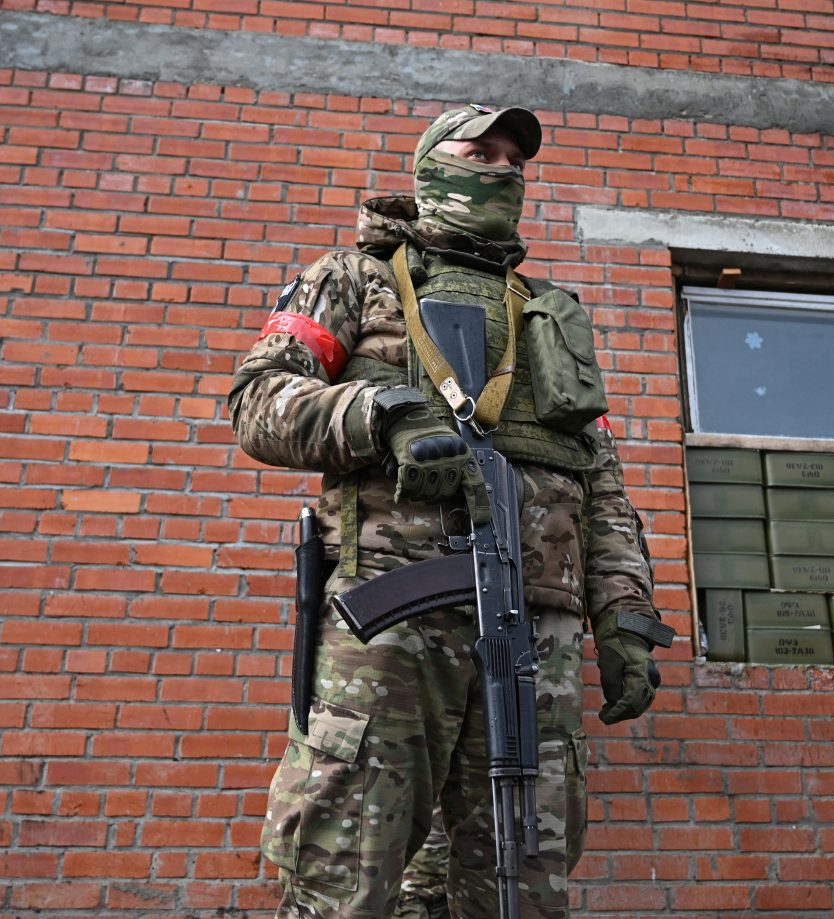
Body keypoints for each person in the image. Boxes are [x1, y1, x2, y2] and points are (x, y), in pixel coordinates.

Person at [228, 104, 671, 919]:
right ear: (433, 165)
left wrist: (624, 616)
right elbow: (257, 401)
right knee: (346, 860)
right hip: (395, 622)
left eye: (514, 158)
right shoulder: (351, 278)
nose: (502, 167)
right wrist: (378, 416)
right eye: (481, 150)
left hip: (539, 633)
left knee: (521, 873)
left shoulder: (550, 314)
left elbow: (602, 485)